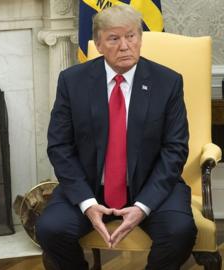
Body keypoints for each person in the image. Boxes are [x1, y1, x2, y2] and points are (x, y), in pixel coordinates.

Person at [36, 5, 197, 270]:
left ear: (140, 39)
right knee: (50, 229)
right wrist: (88, 204)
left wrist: (143, 206)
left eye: (131, 36)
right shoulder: (72, 81)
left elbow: (175, 149)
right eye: (114, 38)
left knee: (179, 231)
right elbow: (59, 146)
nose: (125, 46)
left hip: (150, 186)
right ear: (98, 44)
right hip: (90, 186)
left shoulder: (167, 82)